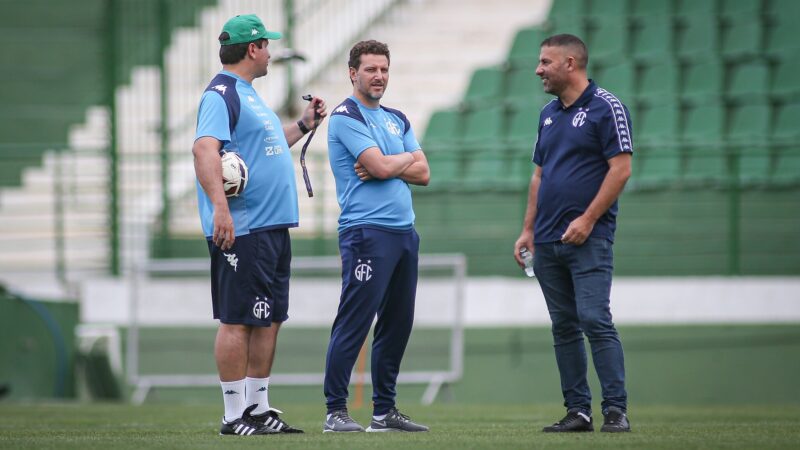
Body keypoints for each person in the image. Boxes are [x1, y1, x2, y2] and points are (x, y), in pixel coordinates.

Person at [192, 13, 326, 436]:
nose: (270, 51)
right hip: (244, 227)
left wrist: (304, 125)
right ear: (253, 49)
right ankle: (233, 416)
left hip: (271, 227)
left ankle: (258, 408)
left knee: (268, 317)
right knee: (237, 319)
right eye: (266, 44)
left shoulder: (248, 94)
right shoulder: (221, 93)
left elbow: (266, 146)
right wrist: (220, 209)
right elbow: (204, 151)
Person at [513, 34, 633, 433]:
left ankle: (615, 410)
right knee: (564, 327)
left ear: (570, 63)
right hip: (547, 243)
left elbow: (621, 169)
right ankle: (578, 412)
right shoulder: (547, 113)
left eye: (545, 62)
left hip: (589, 240)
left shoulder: (606, 107)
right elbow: (539, 175)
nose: (538, 70)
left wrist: (587, 219)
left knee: (595, 319)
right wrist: (528, 229)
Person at [322, 40, 430, 433]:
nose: (379, 76)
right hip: (366, 234)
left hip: (404, 234)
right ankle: (335, 410)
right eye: (370, 69)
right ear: (353, 73)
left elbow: (423, 172)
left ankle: (384, 412)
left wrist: (393, 164)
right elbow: (388, 167)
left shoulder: (396, 118)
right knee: (355, 321)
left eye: (384, 69)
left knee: (397, 323)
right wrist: (402, 162)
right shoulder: (345, 116)